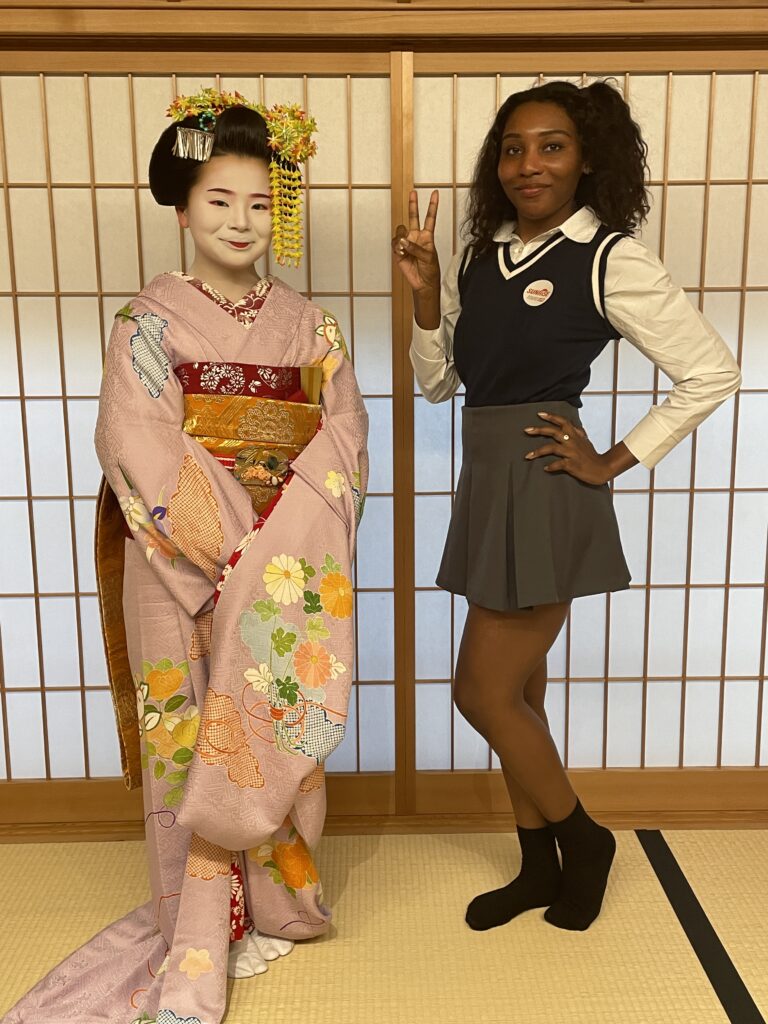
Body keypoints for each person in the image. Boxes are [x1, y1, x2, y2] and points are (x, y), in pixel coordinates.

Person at [6, 89, 368, 1024]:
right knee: (187, 745)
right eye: (218, 201)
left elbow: (343, 435)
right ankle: (201, 925)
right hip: (182, 569)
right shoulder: (148, 323)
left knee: (271, 723)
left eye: (257, 203)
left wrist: (273, 543)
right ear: (182, 208)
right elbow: (140, 443)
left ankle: (278, 903)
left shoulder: (311, 328)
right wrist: (234, 549)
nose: (240, 222)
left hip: (281, 565)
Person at [393, 79, 740, 934]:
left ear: (588, 158)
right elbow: (439, 383)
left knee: (481, 691)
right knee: (521, 695)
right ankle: (537, 865)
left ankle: (586, 842)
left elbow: (711, 370)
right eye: (513, 148)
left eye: (551, 146)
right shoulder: (483, 256)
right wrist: (428, 290)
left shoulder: (609, 256)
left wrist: (615, 458)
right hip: (488, 484)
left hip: (547, 490)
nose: (527, 164)